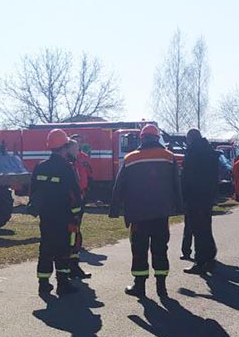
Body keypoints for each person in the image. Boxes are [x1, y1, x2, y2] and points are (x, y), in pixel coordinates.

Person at [109, 124, 182, 298]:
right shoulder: (169, 156)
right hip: (161, 213)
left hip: (138, 214)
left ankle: (139, 287)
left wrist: (114, 209)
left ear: (141, 138)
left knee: (139, 250)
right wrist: (179, 207)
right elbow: (176, 184)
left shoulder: (130, 158)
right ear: (157, 138)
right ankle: (161, 287)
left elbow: (118, 186)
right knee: (160, 248)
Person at [29, 130, 83, 295]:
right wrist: (76, 215)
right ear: (64, 147)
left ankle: (43, 283)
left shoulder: (40, 166)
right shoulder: (67, 168)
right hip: (63, 217)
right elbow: (74, 194)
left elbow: (34, 191)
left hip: (46, 216)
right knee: (63, 250)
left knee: (45, 248)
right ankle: (63, 284)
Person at [182, 128, 220, 275]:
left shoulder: (193, 153)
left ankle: (200, 261)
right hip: (207, 196)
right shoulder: (209, 151)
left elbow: (187, 176)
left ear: (190, 139)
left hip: (195, 197)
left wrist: (183, 196)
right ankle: (210, 257)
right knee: (206, 228)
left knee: (198, 231)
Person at [67, 138, 92, 279]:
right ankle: (71, 267)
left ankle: (73, 266)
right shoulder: (68, 164)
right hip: (72, 204)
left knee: (76, 234)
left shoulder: (77, 161)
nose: (78, 151)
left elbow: (84, 175)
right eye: (75, 148)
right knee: (72, 235)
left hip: (79, 199)